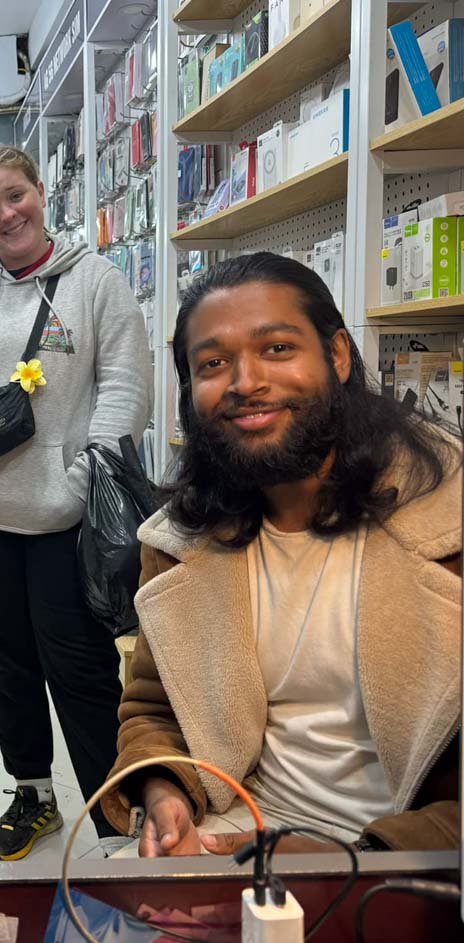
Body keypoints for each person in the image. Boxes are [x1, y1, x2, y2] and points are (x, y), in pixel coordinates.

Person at [100, 253, 461, 857]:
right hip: (233, 834)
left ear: (338, 356)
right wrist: (166, 795)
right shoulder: (181, 543)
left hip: (413, 862)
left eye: (276, 349)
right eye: (213, 363)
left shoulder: (446, 521)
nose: (245, 383)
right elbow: (155, 710)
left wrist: (347, 862)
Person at [0, 144, 152, 860]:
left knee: (79, 665)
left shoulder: (97, 283)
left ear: (41, 192)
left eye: (16, 196)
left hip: (63, 521)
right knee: (4, 659)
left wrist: (82, 477)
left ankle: (117, 813)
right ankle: (33, 792)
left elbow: (125, 389)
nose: (7, 213)